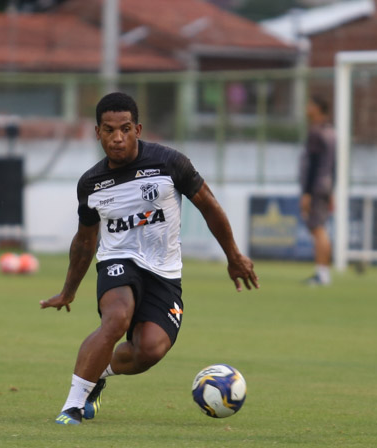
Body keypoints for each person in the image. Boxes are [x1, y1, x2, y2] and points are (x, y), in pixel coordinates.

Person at [41, 92, 259, 425]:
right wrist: (69, 289)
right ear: (96, 132)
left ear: (138, 129)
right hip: (118, 260)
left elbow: (210, 207)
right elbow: (85, 242)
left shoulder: (170, 163)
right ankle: (72, 405)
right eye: (109, 130)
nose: (117, 138)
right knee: (116, 319)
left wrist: (234, 256)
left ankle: (99, 373)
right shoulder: (91, 183)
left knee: (150, 350)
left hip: (164, 272)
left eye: (125, 129)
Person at [299, 95, 336, 286]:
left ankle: (322, 274)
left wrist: (306, 193)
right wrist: (333, 190)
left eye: (310, 104)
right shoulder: (331, 132)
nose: (307, 108)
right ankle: (323, 272)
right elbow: (333, 164)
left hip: (316, 186)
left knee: (318, 229)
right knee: (321, 228)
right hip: (327, 185)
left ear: (317, 108)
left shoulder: (316, 132)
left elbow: (313, 165)